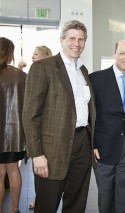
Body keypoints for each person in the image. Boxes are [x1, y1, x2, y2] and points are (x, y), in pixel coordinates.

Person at [22, 20, 96, 213]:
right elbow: (30, 115)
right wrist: (37, 154)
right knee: (47, 205)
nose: (76, 43)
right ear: (62, 40)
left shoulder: (83, 71)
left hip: (82, 144)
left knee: (76, 204)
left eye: (81, 39)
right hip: (52, 150)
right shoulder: (43, 68)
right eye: (72, 38)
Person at [89, 40, 125, 213]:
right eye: (122, 53)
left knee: (124, 193)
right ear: (114, 54)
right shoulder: (95, 79)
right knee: (105, 194)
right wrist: (92, 144)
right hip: (103, 147)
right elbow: (89, 114)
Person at [19, 45, 53, 209]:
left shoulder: (52, 74)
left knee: (46, 173)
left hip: (49, 134)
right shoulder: (34, 72)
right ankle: (39, 198)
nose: (32, 57)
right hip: (37, 134)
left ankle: (41, 198)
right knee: (39, 171)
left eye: (36, 54)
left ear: (45, 55)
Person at [0, 37, 27, 213]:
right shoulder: (22, 76)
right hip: (15, 134)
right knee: (13, 170)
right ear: (11, 53)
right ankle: (15, 208)